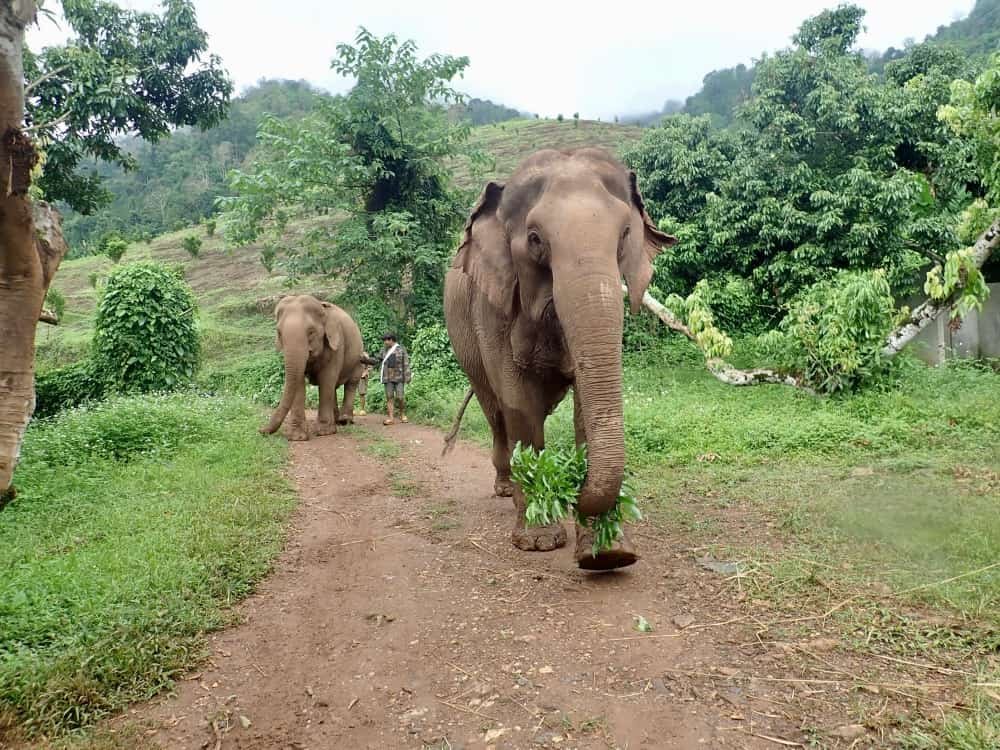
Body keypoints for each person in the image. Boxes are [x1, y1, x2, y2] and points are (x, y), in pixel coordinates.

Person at [361, 333, 411, 425]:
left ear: (391, 340)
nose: (385, 342)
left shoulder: (401, 349)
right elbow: (376, 360)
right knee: (389, 397)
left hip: (399, 377)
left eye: (386, 340)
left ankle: (402, 414)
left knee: (400, 397)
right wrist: (365, 360)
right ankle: (391, 418)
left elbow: (406, 363)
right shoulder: (383, 351)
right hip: (387, 378)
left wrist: (408, 377)